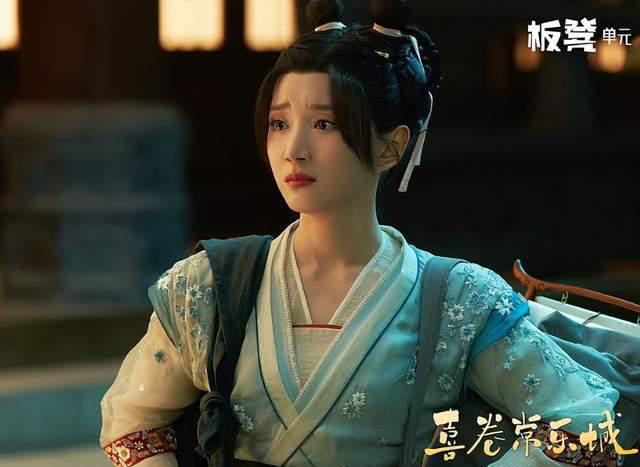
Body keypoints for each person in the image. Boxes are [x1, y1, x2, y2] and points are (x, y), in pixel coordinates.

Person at [99, 1, 623, 465]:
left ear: (391, 146)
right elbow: (134, 421)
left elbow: (586, 428)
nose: (293, 150)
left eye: (324, 124)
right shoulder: (212, 285)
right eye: (280, 123)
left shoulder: (457, 300)